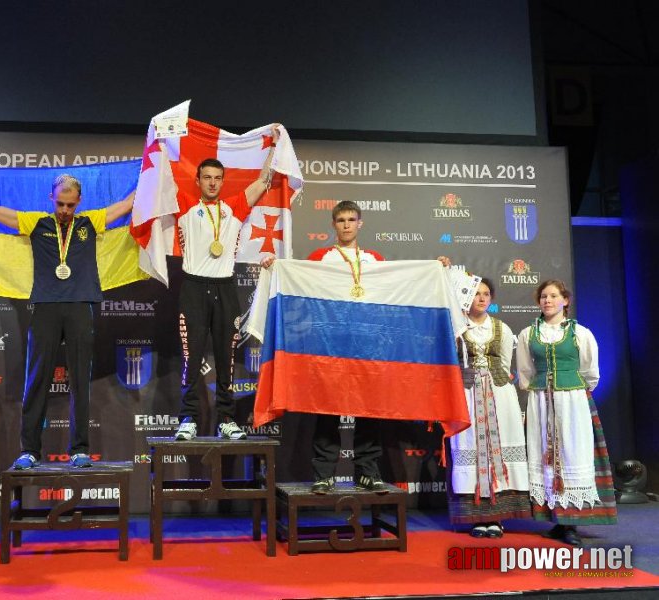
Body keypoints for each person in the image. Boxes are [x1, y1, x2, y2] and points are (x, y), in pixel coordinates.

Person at [0, 166, 133, 469]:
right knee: (37, 378)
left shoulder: (90, 221)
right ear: (50, 198)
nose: (65, 210)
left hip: (81, 305)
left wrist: (156, 174)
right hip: (46, 306)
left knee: (80, 380)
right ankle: (30, 449)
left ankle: (79, 449)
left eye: (70, 205)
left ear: (79, 201)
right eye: (60, 204)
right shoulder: (36, 222)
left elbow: (127, 204)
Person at [262, 200, 449, 494]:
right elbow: (297, 286)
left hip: (368, 350)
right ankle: (324, 475)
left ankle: (367, 473)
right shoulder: (319, 258)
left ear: (360, 223)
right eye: (341, 220)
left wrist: (436, 268)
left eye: (351, 219)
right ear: (333, 225)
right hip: (329, 350)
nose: (347, 225)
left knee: (368, 411)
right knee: (325, 411)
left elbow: (397, 289)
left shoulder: (374, 259)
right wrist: (277, 269)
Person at [173, 126, 280, 441]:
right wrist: (159, 139)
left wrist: (274, 146)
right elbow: (158, 185)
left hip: (225, 288)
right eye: (206, 177)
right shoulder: (184, 208)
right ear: (198, 180)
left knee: (225, 358)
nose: (212, 183)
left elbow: (264, 181)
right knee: (191, 357)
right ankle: (188, 419)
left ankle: (226, 420)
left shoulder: (234, 207)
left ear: (222, 181)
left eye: (217, 178)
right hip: (193, 287)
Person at [516, 279, 617, 546]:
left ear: (565, 300)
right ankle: (556, 520)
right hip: (540, 401)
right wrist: (536, 392)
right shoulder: (528, 334)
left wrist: (576, 391)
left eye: (552, 296)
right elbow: (525, 371)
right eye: (543, 297)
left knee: (571, 453)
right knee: (546, 455)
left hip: (571, 400)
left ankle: (570, 522)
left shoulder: (580, 333)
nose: (547, 301)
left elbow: (590, 371)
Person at [448, 278, 530, 538]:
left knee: (499, 449)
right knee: (471, 447)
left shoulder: (502, 328)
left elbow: (505, 364)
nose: (481, 299)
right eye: (476, 294)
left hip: (499, 396)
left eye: (485, 294)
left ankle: (498, 518)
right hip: (469, 396)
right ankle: (477, 518)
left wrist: (493, 381)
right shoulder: (457, 329)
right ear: (466, 298)